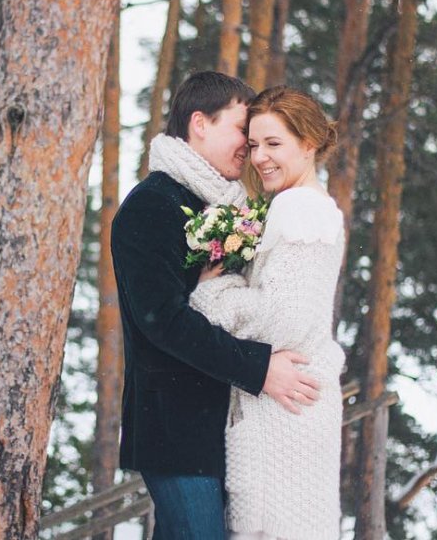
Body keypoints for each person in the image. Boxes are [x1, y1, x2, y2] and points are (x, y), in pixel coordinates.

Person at [111, 72, 321, 540]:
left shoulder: (222, 204)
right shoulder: (152, 205)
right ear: (200, 123)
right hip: (177, 429)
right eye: (241, 130)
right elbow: (163, 322)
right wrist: (259, 368)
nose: (249, 146)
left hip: (225, 427)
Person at [187, 85, 346, 539]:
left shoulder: (300, 208)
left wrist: (213, 291)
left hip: (286, 412)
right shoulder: (304, 205)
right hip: (290, 405)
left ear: (308, 143)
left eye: (274, 143)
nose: (259, 157)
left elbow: (282, 319)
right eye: (254, 144)